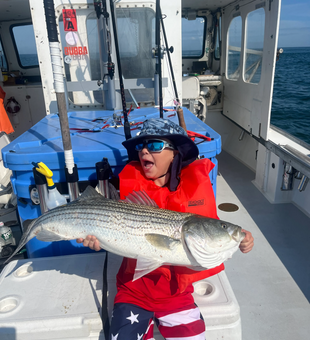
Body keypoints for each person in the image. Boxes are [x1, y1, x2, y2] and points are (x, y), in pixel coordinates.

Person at [77, 118, 254, 340]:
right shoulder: (120, 189)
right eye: (141, 146)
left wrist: (242, 237)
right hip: (133, 292)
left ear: (175, 153)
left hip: (176, 295)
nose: (144, 151)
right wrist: (93, 238)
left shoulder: (194, 192)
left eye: (154, 145)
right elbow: (95, 217)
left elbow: (212, 228)